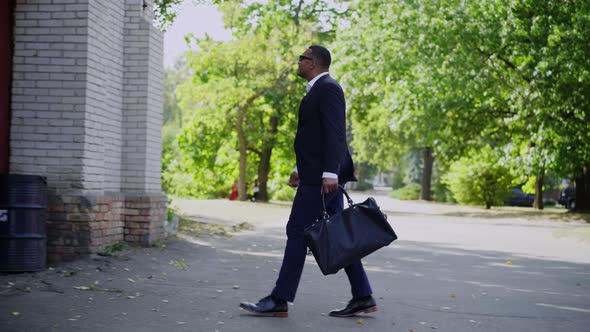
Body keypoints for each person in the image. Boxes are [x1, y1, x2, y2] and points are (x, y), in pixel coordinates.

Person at [239, 45, 376, 318]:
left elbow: (335, 133)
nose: (298, 62)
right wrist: (299, 167)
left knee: (297, 232)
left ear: (312, 63)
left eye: (301, 58)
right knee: (338, 235)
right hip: (315, 175)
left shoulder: (328, 88)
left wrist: (330, 172)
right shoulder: (317, 89)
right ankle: (363, 295)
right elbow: (315, 137)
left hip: (322, 180)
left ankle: (279, 299)